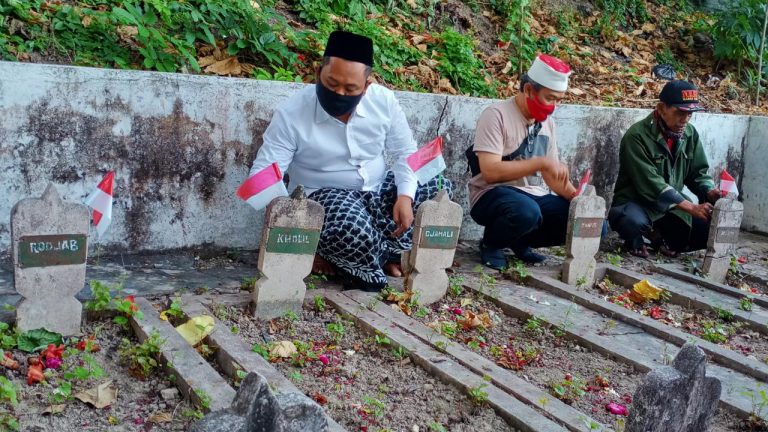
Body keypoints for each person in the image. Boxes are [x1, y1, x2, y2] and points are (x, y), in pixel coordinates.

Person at [249, 30, 451, 292]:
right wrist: (299, 234)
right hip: (326, 199)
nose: (340, 93)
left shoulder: (384, 101)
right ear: (318, 72)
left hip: (377, 192)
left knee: (437, 184)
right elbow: (262, 176)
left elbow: (405, 153)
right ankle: (377, 253)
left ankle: (374, 255)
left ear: (367, 86)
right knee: (352, 230)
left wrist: (405, 196)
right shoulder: (292, 113)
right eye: (332, 84)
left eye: (350, 88)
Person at [468, 54, 577, 270]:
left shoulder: (548, 125)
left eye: (559, 100)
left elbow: (552, 177)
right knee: (526, 211)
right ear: (528, 90)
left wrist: (578, 200)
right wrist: (539, 163)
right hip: (491, 194)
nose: (554, 106)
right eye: (550, 98)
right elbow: (490, 172)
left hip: (532, 195)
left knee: (580, 221)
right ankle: (492, 244)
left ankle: (520, 241)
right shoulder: (495, 115)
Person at [609, 80, 721, 258]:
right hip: (637, 202)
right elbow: (650, 183)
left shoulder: (690, 134)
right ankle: (637, 239)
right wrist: (690, 206)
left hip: (670, 205)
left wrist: (709, 191)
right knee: (632, 221)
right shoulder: (636, 136)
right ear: (661, 109)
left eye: (690, 114)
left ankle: (657, 237)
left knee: (707, 231)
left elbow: (698, 173)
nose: (684, 120)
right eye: (679, 113)